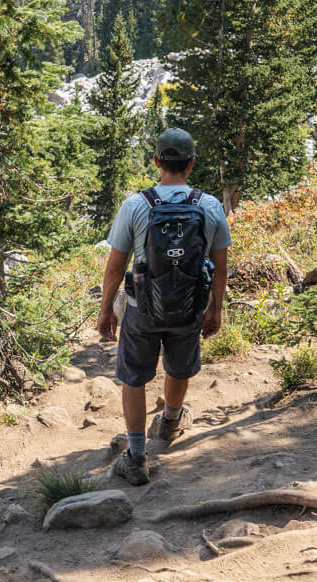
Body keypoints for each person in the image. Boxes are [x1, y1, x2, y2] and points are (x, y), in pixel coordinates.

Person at [95, 127, 231, 486]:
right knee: (179, 367)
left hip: (142, 308)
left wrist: (106, 308)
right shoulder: (209, 205)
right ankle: (171, 422)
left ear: (156, 161)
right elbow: (220, 263)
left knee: (133, 378)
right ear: (191, 164)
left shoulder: (136, 205)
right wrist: (215, 308)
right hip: (190, 306)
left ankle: (137, 457)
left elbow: (115, 265)